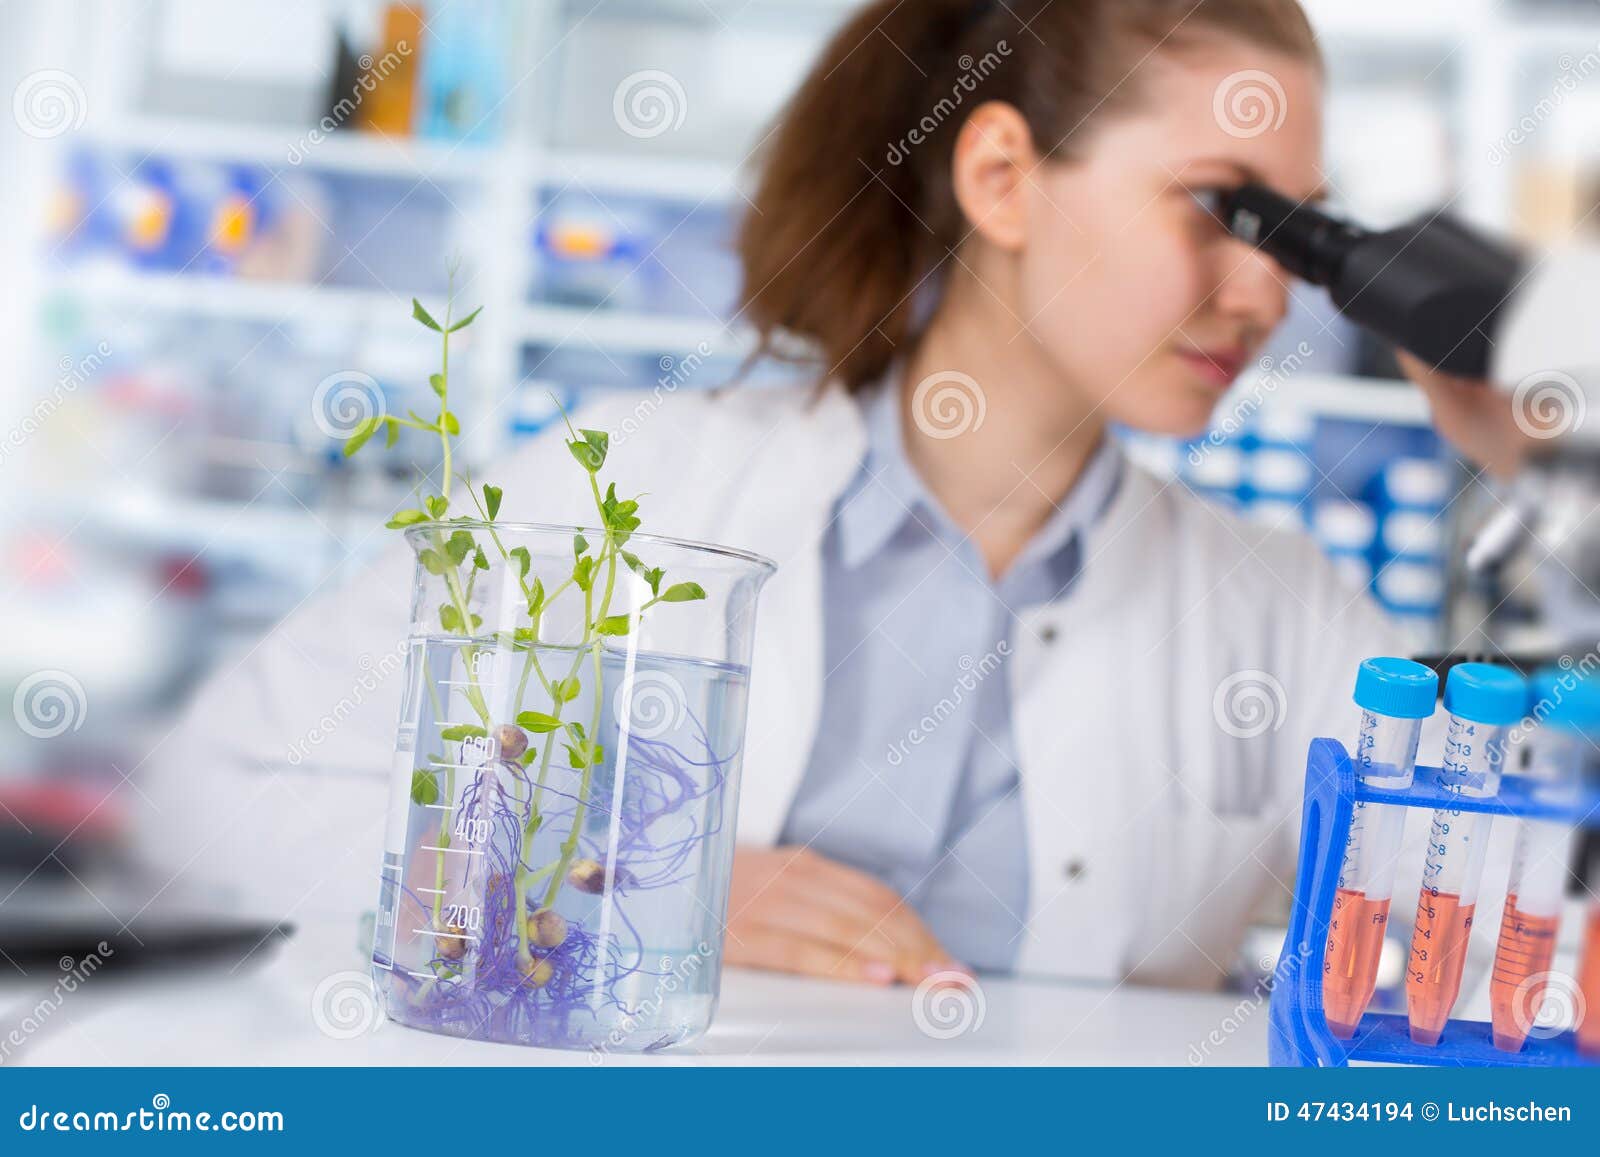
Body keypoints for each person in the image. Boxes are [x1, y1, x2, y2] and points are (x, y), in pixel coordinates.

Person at [138, 0, 1533, 991]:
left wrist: (1550, 467)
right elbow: (206, 796)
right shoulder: (627, 482)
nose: (1265, 287)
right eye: (1228, 209)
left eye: (1303, 231)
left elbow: (1537, 910)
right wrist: (591, 877)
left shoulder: (1277, 610)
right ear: (1001, 175)